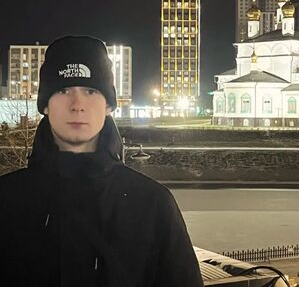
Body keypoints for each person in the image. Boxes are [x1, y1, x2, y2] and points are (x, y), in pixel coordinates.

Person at [0, 35, 203, 287]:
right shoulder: (7, 201)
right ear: (45, 106)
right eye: (63, 90)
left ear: (108, 105)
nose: (77, 105)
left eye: (90, 91)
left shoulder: (153, 205)